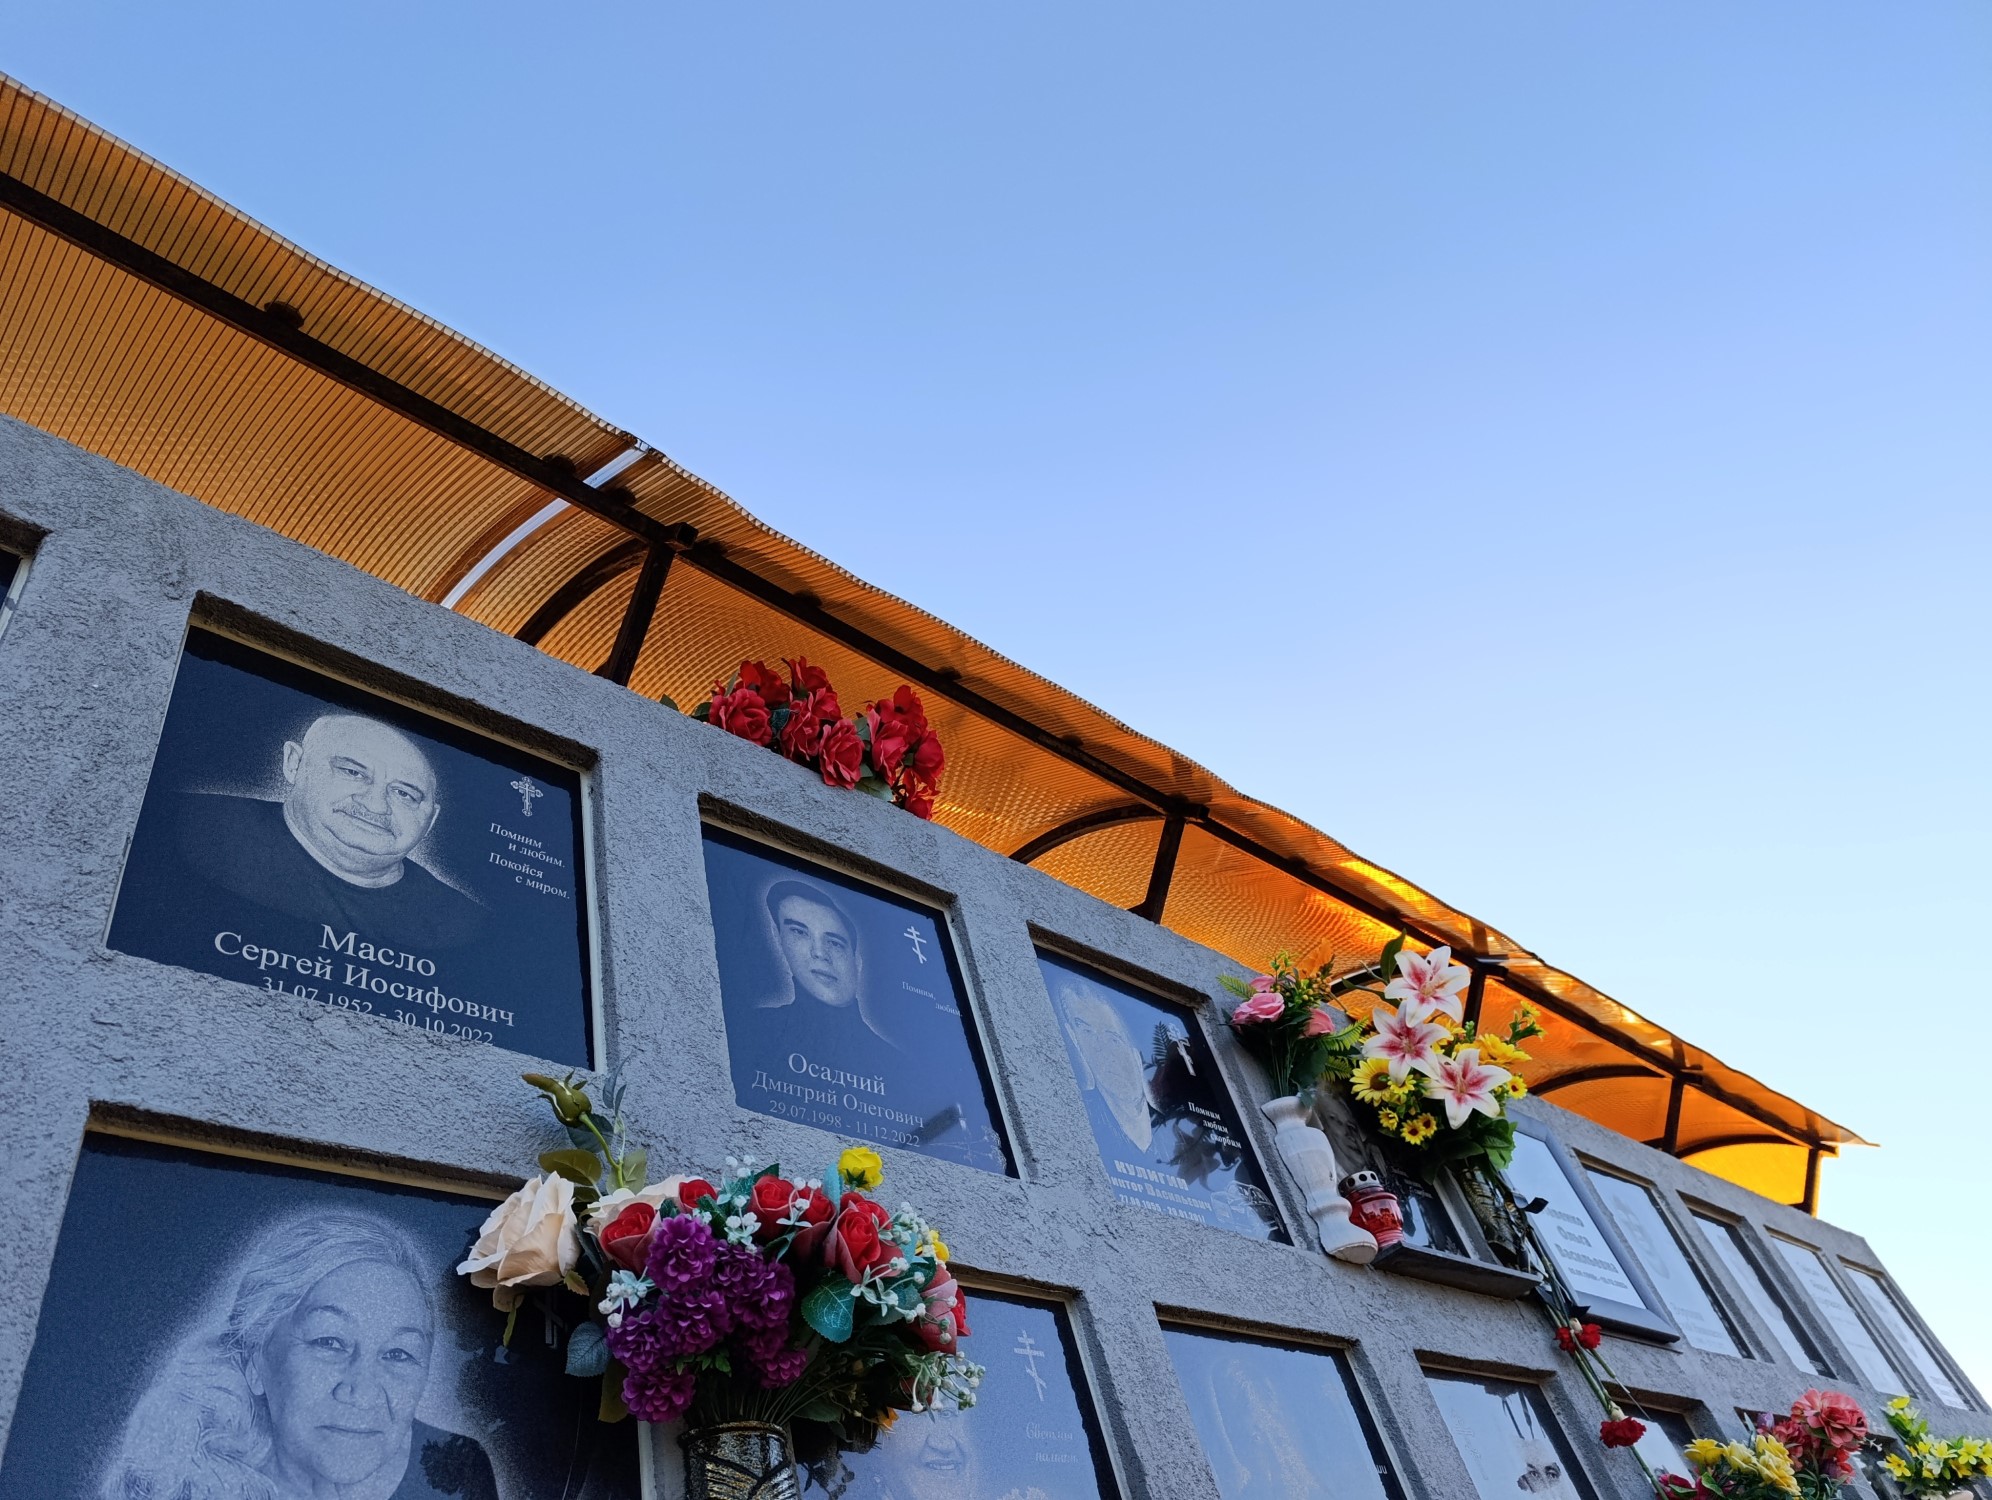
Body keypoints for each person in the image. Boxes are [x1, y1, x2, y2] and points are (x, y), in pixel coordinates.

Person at [100, 1212, 498, 1500]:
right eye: (329, 1342)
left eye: (398, 1353)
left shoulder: (456, 1468)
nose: (363, 1392)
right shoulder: (186, 1481)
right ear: (255, 1358)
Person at [171, 712, 483, 954]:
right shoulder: (191, 823)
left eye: (404, 794)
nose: (376, 805)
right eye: (353, 772)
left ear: (430, 820)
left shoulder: (464, 926)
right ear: (294, 764)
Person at [1054, 981, 1155, 1151]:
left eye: (1113, 1040)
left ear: (1135, 1055)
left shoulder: (1173, 1133)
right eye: (1087, 1033)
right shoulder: (1081, 1121)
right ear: (1075, 1040)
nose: (1103, 1050)